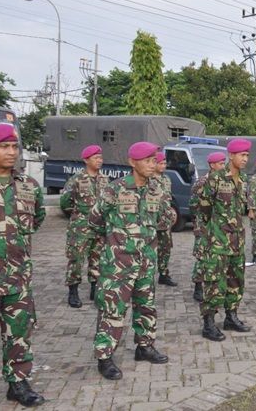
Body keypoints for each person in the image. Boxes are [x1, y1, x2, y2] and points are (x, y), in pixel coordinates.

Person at [89, 141, 176, 380]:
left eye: (154, 160)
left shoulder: (156, 190)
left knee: (146, 305)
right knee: (113, 309)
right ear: (132, 162)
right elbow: (95, 220)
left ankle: (144, 346)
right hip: (119, 263)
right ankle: (105, 357)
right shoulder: (114, 190)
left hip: (146, 260)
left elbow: (165, 220)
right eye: (147, 160)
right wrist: (115, 243)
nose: (152, 164)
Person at [0, 124, 46, 406]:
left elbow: (36, 219)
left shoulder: (28, 186)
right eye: (3, 146)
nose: (11, 152)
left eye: (14, 147)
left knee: (19, 334)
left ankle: (17, 383)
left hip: (17, 278)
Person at [197, 139, 253, 341]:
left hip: (237, 241)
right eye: (242, 155)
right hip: (219, 241)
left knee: (236, 281)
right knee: (214, 283)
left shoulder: (244, 179)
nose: (245, 159)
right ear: (231, 156)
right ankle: (209, 323)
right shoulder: (216, 178)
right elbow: (204, 207)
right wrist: (215, 229)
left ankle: (231, 316)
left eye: (247, 155)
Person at [60, 144, 109, 308]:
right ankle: (73, 292)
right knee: (76, 259)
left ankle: (95, 290)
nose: (99, 161)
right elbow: (65, 203)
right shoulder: (76, 180)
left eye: (101, 158)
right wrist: (80, 215)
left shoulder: (104, 179)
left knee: (97, 258)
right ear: (86, 160)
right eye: (96, 158)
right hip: (80, 227)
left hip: (99, 227)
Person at [189, 152, 226, 302]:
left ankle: (214, 285)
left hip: (218, 226)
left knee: (215, 257)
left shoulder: (224, 181)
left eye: (224, 163)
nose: (223, 166)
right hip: (204, 224)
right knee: (202, 255)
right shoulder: (203, 182)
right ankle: (198, 287)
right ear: (212, 165)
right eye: (221, 164)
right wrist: (200, 220)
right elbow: (193, 204)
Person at [154, 152, 177, 287]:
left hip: (165, 221)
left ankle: (163, 274)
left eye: (164, 163)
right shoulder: (149, 180)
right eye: (160, 163)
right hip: (151, 221)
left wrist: (171, 212)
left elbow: (169, 199)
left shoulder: (166, 179)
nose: (163, 166)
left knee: (165, 249)